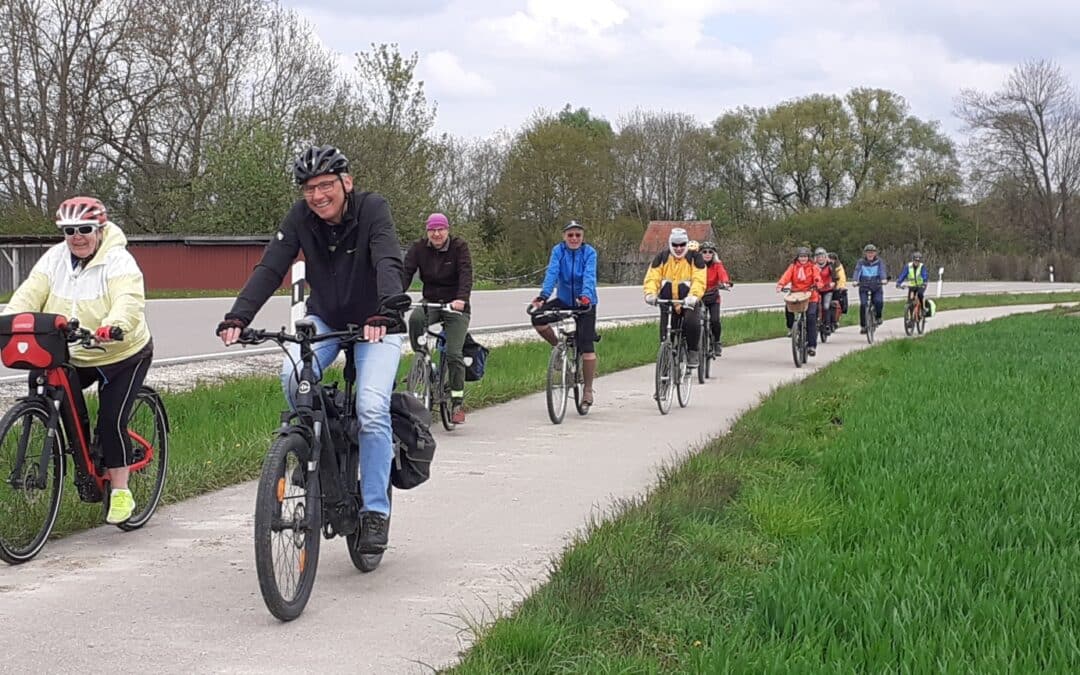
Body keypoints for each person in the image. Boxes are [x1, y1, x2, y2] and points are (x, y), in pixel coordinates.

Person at [216, 145, 408, 553]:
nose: (317, 196)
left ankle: (375, 510)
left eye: (325, 186)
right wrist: (239, 316)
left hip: (377, 322)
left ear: (346, 183)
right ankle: (319, 450)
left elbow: (389, 259)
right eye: (309, 188)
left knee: (372, 410)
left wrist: (389, 310)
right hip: (327, 320)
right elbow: (271, 266)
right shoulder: (301, 217)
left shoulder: (373, 209)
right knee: (292, 380)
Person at [3, 196, 153, 525]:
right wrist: (8, 320)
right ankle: (84, 458)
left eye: (85, 229)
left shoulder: (118, 260)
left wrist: (115, 326)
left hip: (121, 353)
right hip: (74, 352)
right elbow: (29, 293)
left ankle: (121, 490)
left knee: (111, 423)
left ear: (99, 229)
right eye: (69, 230)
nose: (77, 237)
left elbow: (127, 299)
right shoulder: (55, 258)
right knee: (45, 386)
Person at [403, 213, 473, 423]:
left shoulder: (459, 247)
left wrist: (461, 298)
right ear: (427, 232)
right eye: (432, 230)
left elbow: (466, 273)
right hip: (431, 300)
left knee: (453, 353)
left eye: (440, 229)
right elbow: (406, 272)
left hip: (455, 305)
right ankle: (422, 362)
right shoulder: (419, 248)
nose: (436, 233)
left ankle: (457, 402)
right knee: (415, 319)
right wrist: (395, 295)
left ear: (447, 230)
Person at [530, 221, 599, 409]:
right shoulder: (558, 251)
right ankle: (558, 349)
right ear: (564, 236)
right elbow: (552, 273)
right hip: (563, 299)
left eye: (578, 235)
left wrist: (585, 296)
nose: (574, 238)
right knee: (537, 318)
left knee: (587, 347)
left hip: (585, 303)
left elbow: (589, 276)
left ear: (582, 237)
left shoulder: (590, 253)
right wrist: (543, 296)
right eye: (570, 235)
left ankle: (588, 390)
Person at [643, 227, 706, 367]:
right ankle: (664, 371)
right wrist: (650, 293)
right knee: (665, 334)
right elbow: (652, 277)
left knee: (691, 323)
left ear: (686, 244)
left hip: (688, 302)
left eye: (682, 244)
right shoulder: (662, 257)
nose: (678, 248)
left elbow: (699, 279)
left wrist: (693, 296)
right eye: (675, 245)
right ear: (670, 244)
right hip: (667, 301)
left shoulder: (695, 258)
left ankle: (692, 352)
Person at [775, 246, 822, 356]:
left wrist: (818, 283)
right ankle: (792, 328)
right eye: (801, 256)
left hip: (810, 295)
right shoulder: (793, 267)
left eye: (805, 256)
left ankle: (811, 346)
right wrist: (781, 285)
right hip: (796, 294)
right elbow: (786, 276)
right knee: (788, 308)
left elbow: (817, 277)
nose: (803, 259)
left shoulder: (813, 267)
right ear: (797, 257)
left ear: (808, 257)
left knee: (810, 318)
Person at [699, 241, 731, 357]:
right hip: (699, 297)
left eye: (710, 252)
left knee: (715, 320)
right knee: (695, 321)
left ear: (713, 254)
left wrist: (725, 283)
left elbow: (723, 275)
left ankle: (716, 342)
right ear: (700, 253)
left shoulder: (717, 265)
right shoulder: (696, 265)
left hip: (713, 297)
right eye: (704, 252)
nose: (707, 254)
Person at [851, 243, 889, 334]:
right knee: (863, 304)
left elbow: (882, 271)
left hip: (876, 286)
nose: (870, 254)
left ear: (875, 253)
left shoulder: (879, 262)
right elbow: (857, 271)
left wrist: (883, 279)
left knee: (878, 302)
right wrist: (855, 280)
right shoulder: (861, 262)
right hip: (864, 285)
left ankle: (878, 317)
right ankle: (864, 325)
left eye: (872, 253)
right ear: (865, 254)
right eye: (868, 253)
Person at [813, 248, 837, 333]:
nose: (820, 258)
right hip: (817, 289)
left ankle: (827, 325)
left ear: (825, 257)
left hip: (827, 289)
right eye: (818, 257)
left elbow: (834, 275)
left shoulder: (830, 266)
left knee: (826, 306)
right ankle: (814, 323)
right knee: (814, 306)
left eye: (822, 256)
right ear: (816, 258)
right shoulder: (813, 266)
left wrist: (833, 282)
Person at [829, 252, 848, 320]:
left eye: (833, 259)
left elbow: (842, 277)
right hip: (827, 287)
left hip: (836, 287)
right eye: (830, 259)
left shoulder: (839, 267)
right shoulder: (826, 266)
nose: (831, 260)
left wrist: (841, 286)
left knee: (837, 302)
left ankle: (836, 318)